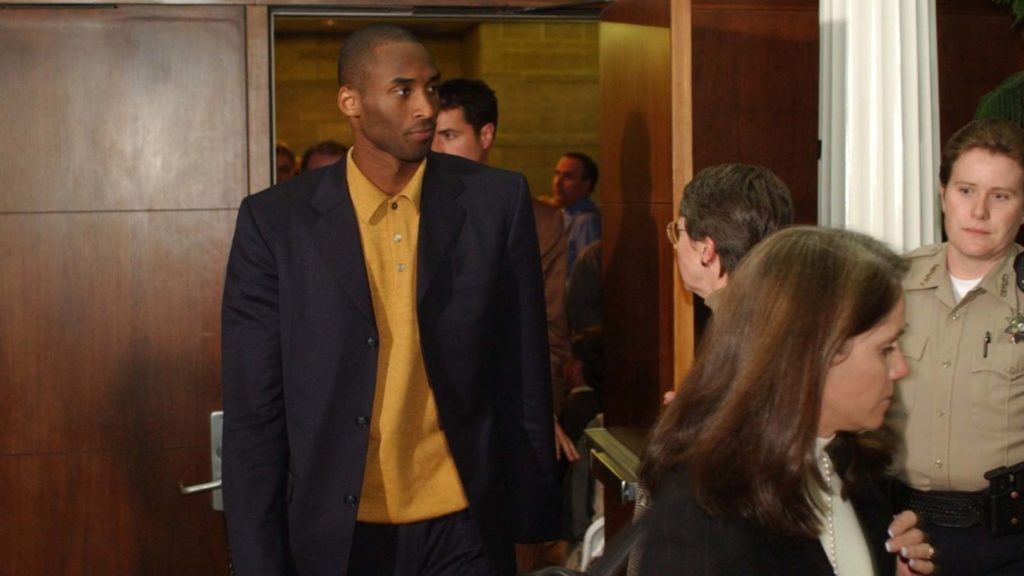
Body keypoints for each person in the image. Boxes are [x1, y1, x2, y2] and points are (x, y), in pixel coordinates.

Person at [221, 24, 559, 576]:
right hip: (339, 533)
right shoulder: (275, 222)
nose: (424, 107)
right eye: (403, 91)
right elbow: (254, 412)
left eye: (432, 88)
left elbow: (522, 369)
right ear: (350, 101)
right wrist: (257, 560)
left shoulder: (496, 202)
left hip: (464, 523)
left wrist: (533, 523)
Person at [639, 227, 936, 576]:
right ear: (814, 354)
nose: (900, 369)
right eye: (885, 348)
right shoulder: (703, 508)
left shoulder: (849, 465)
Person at [888, 118, 1024, 575]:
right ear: (942, 192)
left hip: (1008, 541)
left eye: (1000, 196)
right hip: (898, 529)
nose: (979, 211)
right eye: (966, 190)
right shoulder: (889, 285)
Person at [431, 76, 576, 463]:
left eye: (448, 135)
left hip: (497, 413)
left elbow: (548, 331)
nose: (435, 148)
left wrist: (539, 411)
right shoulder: (409, 210)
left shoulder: (537, 221)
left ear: (486, 134)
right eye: (430, 134)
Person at [552, 152, 600, 274]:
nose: (558, 182)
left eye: (568, 176)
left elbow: (587, 273)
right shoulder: (563, 214)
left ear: (586, 185)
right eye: (557, 174)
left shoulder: (586, 221)